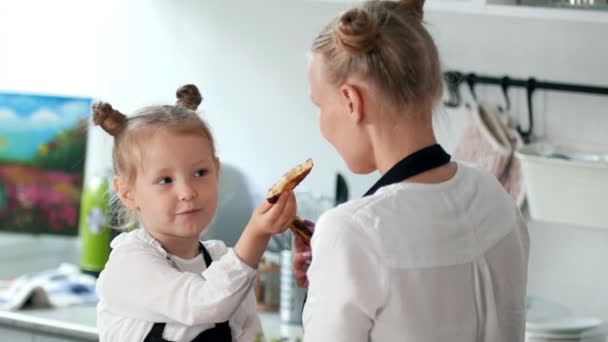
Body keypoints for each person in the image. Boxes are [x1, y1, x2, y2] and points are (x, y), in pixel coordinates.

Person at [293, 1, 529, 341]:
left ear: (351, 101)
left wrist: (333, 271)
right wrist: (330, 275)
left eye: (319, 104)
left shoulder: (350, 233)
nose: (320, 124)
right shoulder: (497, 199)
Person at [95, 84, 296, 342]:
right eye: (165, 180)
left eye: (200, 173)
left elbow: (251, 336)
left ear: (217, 170)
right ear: (127, 192)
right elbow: (203, 303)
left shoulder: (222, 262)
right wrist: (257, 234)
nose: (187, 191)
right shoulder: (130, 264)